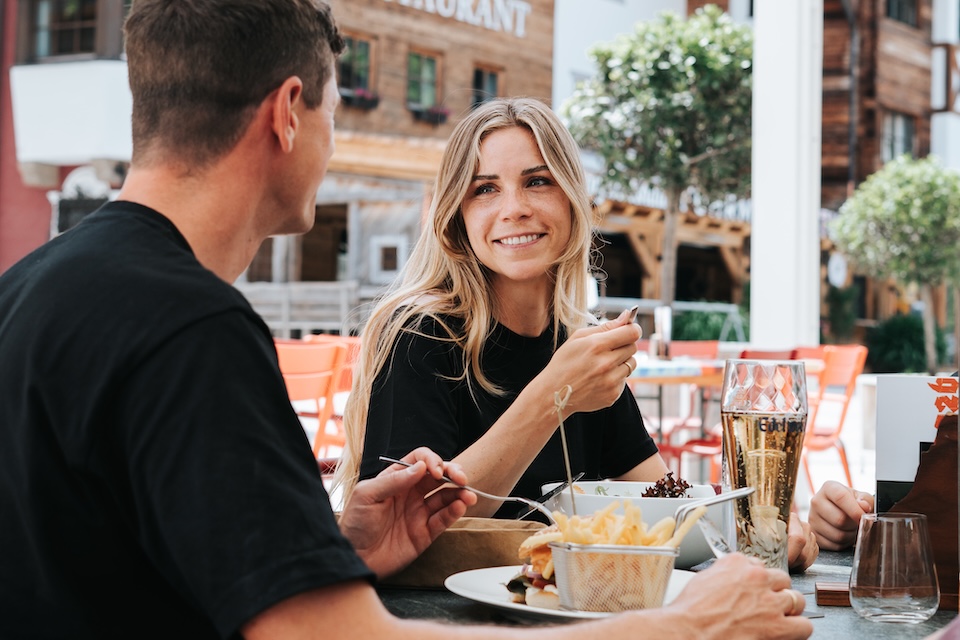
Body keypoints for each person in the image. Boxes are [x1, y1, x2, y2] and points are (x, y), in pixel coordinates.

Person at [0, 2, 812, 637]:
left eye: (537, 181)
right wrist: (684, 628)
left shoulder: (29, 288)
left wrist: (341, 548)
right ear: (290, 113)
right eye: (335, 111)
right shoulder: (193, 330)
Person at [333, 96, 818, 572]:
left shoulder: (578, 347)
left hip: (575, 604)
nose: (514, 208)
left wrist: (757, 528)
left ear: (573, 200)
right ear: (457, 215)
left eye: (537, 181)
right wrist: (553, 395)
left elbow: (667, 504)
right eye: (484, 189)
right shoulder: (420, 334)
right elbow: (408, 525)